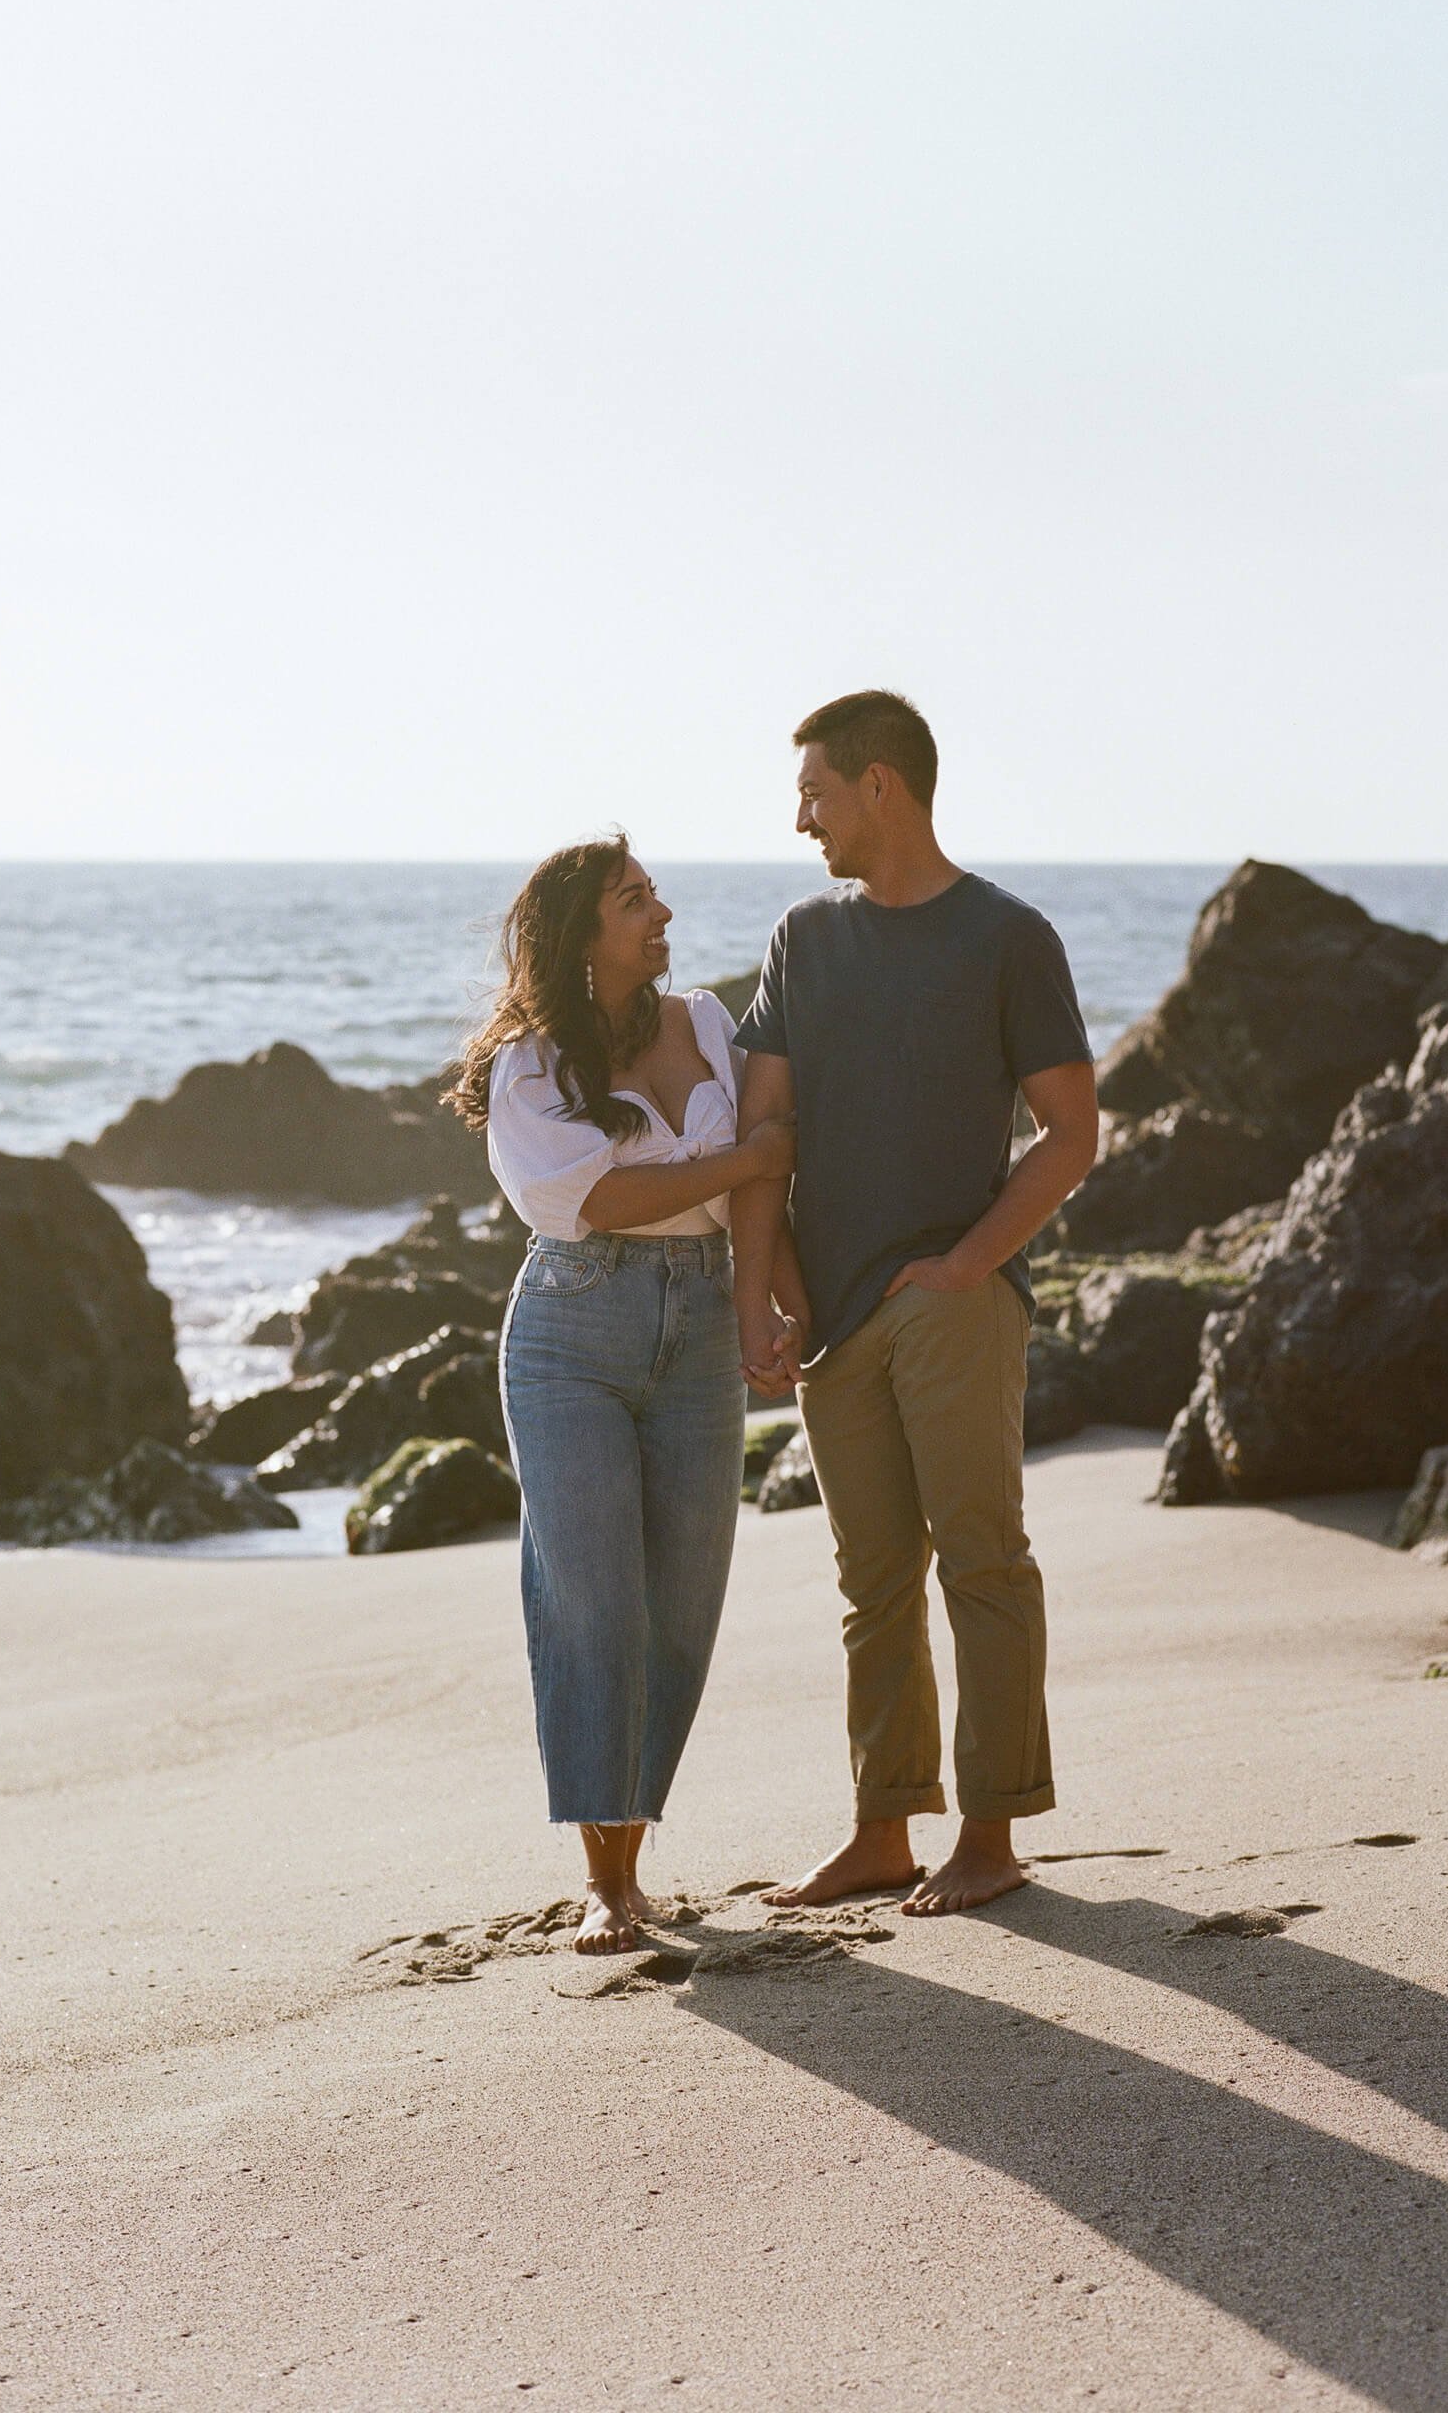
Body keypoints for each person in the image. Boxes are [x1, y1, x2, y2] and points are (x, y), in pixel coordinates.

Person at [729, 692, 1098, 1916]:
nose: (800, 818)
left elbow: (1070, 1129)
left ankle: (990, 1833)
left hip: (952, 1299)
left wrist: (967, 1265)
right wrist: (767, 1294)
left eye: (815, 792)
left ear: (879, 785)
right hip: (832, 1317)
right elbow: (762, 1134)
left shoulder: (1005, 935)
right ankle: (881, 1828)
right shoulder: (800, 937)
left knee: (981, 1563)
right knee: (870, 1585)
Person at [447, 837, 796, 1954]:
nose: (662, 914)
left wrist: (771, 1303)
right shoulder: (530, 1064)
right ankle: (606, 1880)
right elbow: (590, 1197)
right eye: (633, 900)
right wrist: (741, 1163)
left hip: (699, 1322)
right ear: (578, 933)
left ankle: (632, 1847)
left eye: (652, 895)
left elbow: (767, 1179)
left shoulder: (704, 1020)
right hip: (571, 1331)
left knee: (682, 1603)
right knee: (594, 1598)